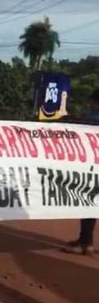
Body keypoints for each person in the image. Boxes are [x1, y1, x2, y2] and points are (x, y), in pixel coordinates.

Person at [62, 88, 99, 255]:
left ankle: (85, 242)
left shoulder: (93, 118)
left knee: (88, 203)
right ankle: (86, 242)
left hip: (92, 168)